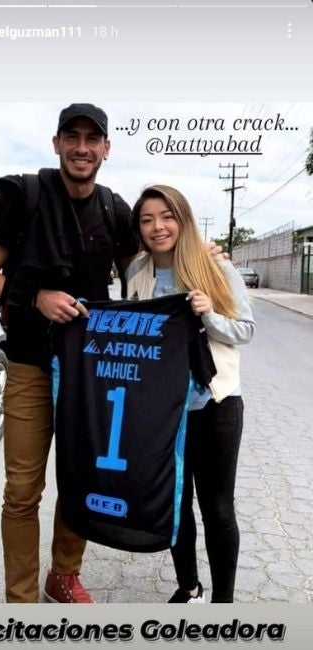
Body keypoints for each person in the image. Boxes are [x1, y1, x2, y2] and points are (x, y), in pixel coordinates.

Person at [0, 104, 139, 603]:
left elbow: (146, 275)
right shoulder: (25, 196)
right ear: (57, 143)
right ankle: (20, 600)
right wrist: (35, 296)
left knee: (79, 478)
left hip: (90, 371)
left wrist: (202, 258)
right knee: (22, 491)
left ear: (106, 148)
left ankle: (63, 575)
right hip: (29, 366)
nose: (82, 148)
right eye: (72, 137)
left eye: (92, 139)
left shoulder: (115, 210)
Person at [126, 184, 256, 603]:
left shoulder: (214, 266)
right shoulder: (136, 272)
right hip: (164, 411)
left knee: (217, 509)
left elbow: (245, 330)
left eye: (167, 217)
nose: (158, 227)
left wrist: (209, 315)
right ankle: (190, 588)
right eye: (147, 219)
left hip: (215, 405)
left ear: (183, 219)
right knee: (176, 504)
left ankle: (223, 604)